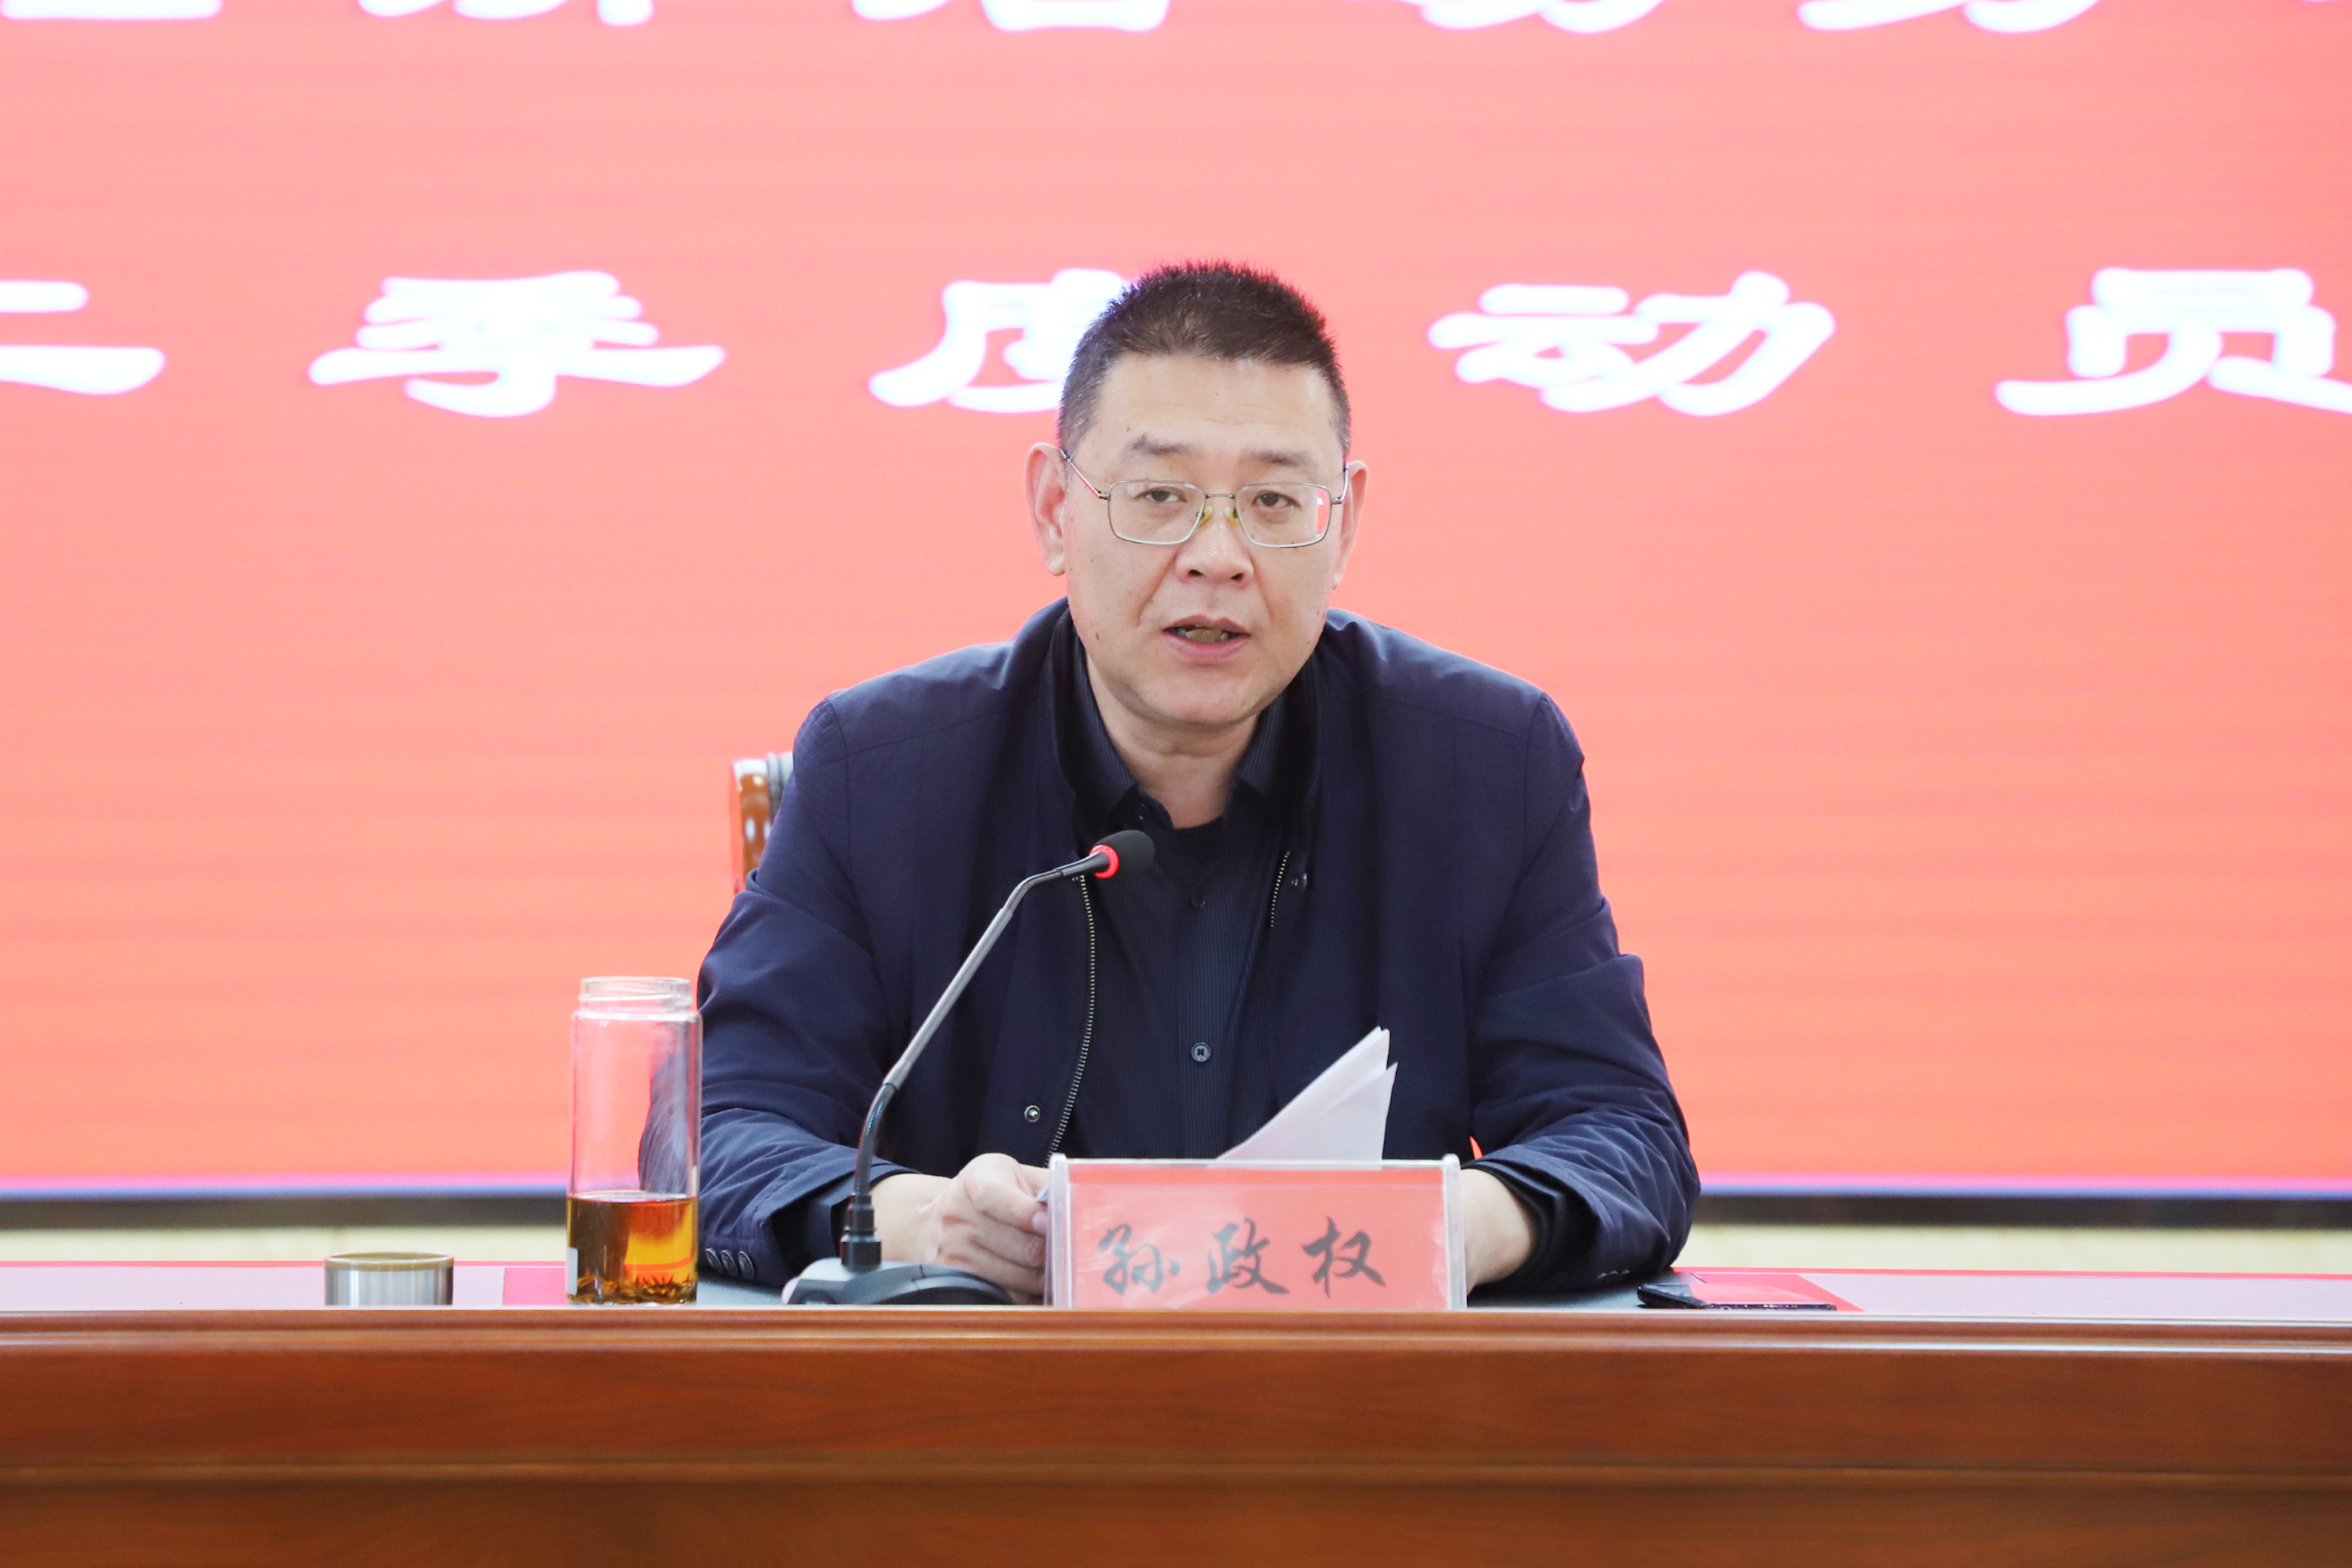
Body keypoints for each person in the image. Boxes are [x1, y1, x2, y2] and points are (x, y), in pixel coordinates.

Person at [697, 262, 1696, 1300]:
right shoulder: (881, 772)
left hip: (1359, 1384)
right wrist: (921, 1218)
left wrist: (1456, 1225)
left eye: (1273, 501)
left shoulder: (1487, 765)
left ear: (1343, 525)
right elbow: (721, 1131)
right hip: (991, 1389)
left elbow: (1623, 1135)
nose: (1218, 557)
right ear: (1054, 509)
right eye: (1160, 497)